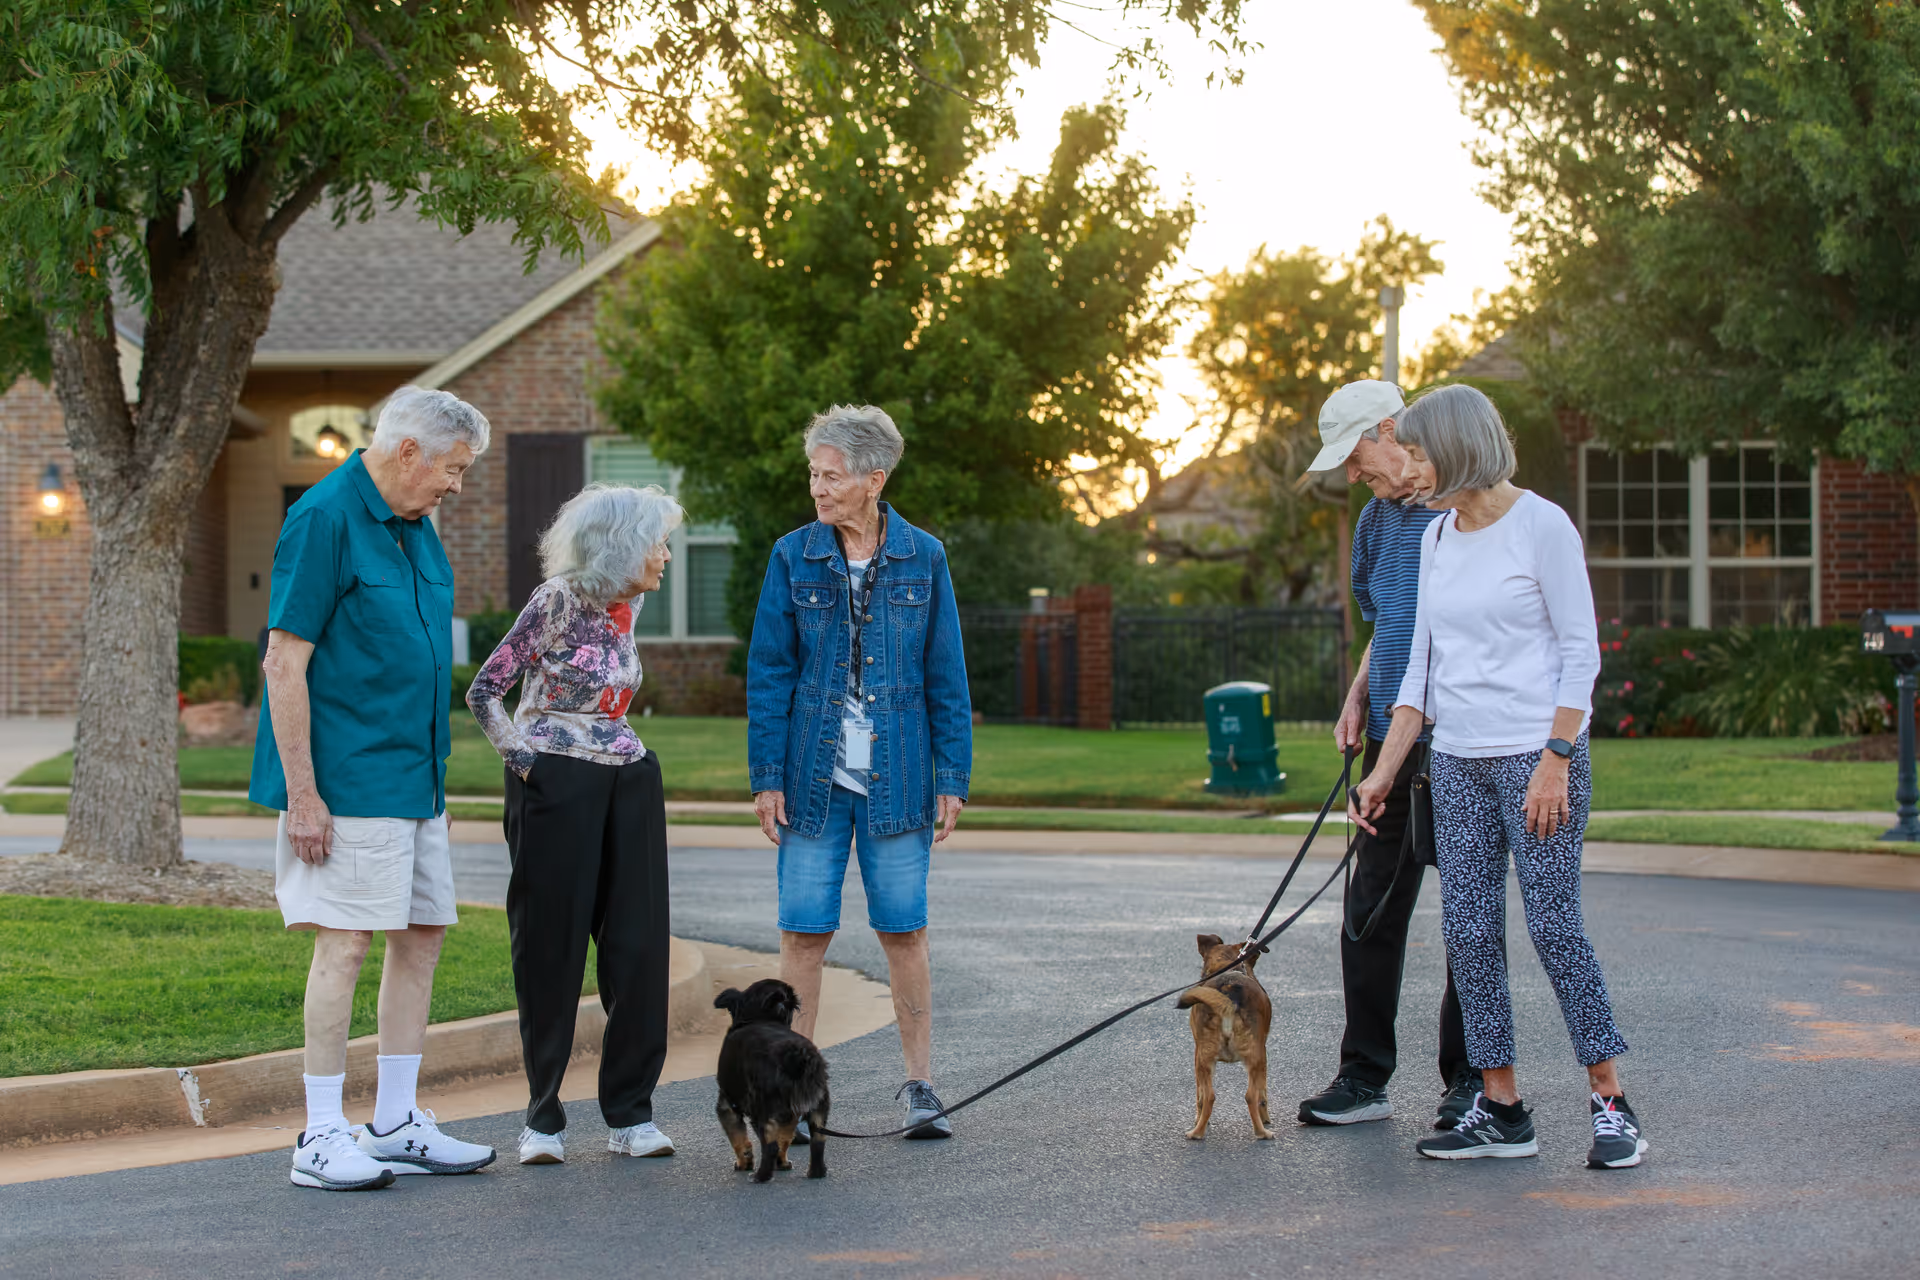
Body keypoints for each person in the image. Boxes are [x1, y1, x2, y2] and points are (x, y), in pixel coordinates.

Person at [1352, 383, 1648, 1169]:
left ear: (1457, 447)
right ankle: (1502, 1107)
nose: (1408, 467)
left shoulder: (1542, 525)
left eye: (1416, 451)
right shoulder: (1436, 538)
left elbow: (1580, 653)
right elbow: (1419, 670)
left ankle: (1612, 1103)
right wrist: (1384, 772)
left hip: (1534, 759)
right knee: (1471, 934)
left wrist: (1555, 761)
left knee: (1554, 928)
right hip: (1455, 763)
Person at [251, 386, 497, 1191]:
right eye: (453, 469)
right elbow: (284, 661)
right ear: (406, 453)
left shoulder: (418, 530)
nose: (456, 484)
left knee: (421, 937)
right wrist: (305, 795)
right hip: (348, 779)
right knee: (344, 941)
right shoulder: (323, 519)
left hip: (415, 778)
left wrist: (436, 783)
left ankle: (392, 1121)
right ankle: (320, 1135)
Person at [746, 404, 972, 1140]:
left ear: (874, 480)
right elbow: (770, 673)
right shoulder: (792, 556)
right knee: (802, 937)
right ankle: (796, 1092)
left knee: (903, 931)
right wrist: (766, 774)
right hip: (811, 779)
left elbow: (947, 676)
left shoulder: (924, 557)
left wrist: (952, 775)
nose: (817, 488)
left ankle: (920, 1087)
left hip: (900, 777)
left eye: (831, 476)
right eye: (813, 474)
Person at [466, 484, 684, 1167]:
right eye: (658, 543)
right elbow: (484, 692)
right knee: (550, 947)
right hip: (555, 780)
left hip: (628, 777)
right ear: (621, 545)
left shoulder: (630, 603)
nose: (667, 556)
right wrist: (526, 765)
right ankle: (543, 1120)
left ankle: (631, 1114)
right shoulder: (554, 600)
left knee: (640, 948)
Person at [1295, 380, 1486, 1131]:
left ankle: (1470, 1078)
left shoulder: (1463, 507)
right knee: (1368, 909)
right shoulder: (1376, 522)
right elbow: (1393, 629)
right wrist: (1354, 695)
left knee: (1464, 914)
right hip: (1386, 735)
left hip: (1459, 741)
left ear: (1389, 427)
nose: (1352, 474)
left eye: (1356, 454)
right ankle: (1363, 1076)